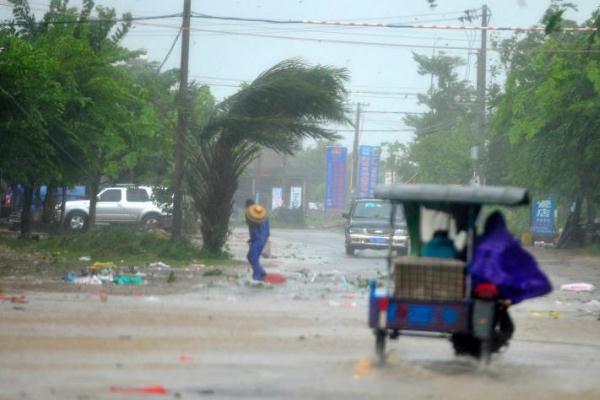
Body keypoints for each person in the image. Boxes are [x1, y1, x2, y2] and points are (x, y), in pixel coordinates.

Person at [245, 199, 270, 281]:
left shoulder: (252, 217)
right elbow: (266, 231)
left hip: (257, 240)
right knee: (250, 256)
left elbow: (254, 229)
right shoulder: (264, 215)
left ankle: (259, 274)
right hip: (263, 239)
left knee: (253, 257)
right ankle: (259, 273)